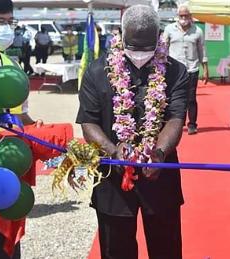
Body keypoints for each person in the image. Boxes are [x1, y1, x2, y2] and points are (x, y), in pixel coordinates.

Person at [76, 5, 188, 259]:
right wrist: (113, 150)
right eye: (133, 46)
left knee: (166, 251)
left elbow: (175, 118)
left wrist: (158, 152)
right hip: (113, 182)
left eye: (146, 47)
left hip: (160, 175)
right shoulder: (96, 71)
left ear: (159, 37)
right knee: (116, 252)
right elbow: (88, 122)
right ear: (121, 35)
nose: (139, 54)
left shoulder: (175, 71)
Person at [0, 0, 43, 258]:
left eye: (9, 22)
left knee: (7, 237)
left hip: (7, 162)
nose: (6, 29)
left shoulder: (11, 65)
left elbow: (19, 114)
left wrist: (35, 127)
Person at [163, 4, 208, 135]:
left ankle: (192, 124)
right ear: (177, 16)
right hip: (173, 70)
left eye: (186, 15)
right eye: (181, 15)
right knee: (172, 97)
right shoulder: (169, 29)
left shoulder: (197, 31)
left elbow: (202, 50)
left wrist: (205, 68)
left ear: (190, 16)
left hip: (191, 69)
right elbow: (163, 48)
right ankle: (175, 123)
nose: (183, 18)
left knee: (191, 98)